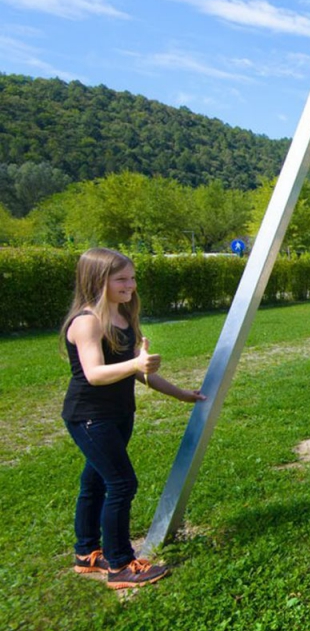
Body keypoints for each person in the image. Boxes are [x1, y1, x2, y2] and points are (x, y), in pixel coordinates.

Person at [61, 248, 205, 590]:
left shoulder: (123, 317)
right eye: (121, 279)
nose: (130, 285)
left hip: (119, 415)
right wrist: (135, 364)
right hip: (90, 417)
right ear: (98, 280)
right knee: (122, 484)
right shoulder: (87, 322)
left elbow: (139, 373)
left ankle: (86, 553)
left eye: (133, 277)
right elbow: (94, 374)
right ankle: (121, 565)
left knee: (95, 481)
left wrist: (181, 394)